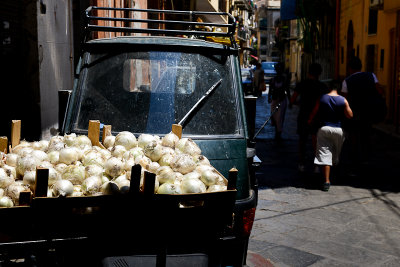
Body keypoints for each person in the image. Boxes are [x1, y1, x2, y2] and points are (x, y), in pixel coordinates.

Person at [341, 56, 383, 176]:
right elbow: (380, 91)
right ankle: (366, 161)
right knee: (366, 136)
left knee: (353, 138)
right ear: (361, 67)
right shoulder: (371, 76)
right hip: (368, 112)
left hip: (354, 114)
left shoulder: (346, 81)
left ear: (349, 68)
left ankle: (354, 164)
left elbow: (344, 100)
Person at [308, 81, 353, 191]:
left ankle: (327, 181)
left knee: (325, 154)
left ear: (328, 88)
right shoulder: (343, 100)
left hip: (324, 129)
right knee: (335, 155)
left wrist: (309, 122)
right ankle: (336, 175)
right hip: (338, 129)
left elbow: (314, 112)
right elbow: (350, 115)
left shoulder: (322, 98)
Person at [290, 63, 329, 172]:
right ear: (320, 73)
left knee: (302, 140)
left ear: (308, 73)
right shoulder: (323, 87)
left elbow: (293, 99)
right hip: (317, 116)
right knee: (315, 140)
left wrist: (298, 103)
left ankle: (302, 163)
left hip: (303, 115)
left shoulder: (301, 84)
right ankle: (317, 165)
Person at [268, 62, 291, 141]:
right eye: (278, 69)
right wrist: (269, 98)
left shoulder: (285, 80)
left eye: (280, 69)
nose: (279, 71)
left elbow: (287, 90)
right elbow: (270, 90)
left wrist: (290, 101)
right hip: (274, 101)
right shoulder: (273, 80)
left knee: (280, 118)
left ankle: (278, 133)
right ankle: (277, 132)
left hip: (282, 100)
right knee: (274, 117)